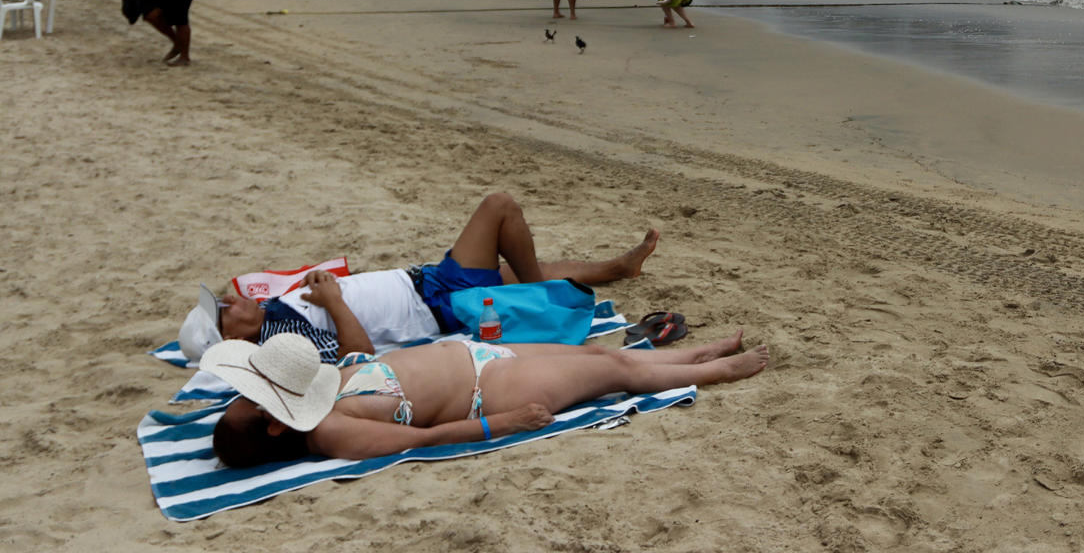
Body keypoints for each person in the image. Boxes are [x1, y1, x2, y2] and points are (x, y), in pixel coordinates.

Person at [178, 192, 661, 365]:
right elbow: (356, 358)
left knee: (510, 271)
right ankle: (544, 298)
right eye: (224, 310)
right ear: (231, 338)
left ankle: (618, 269)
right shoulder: (283, 342)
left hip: (426, 283)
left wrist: (326, 289)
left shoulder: (273, 315)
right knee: (500, 207)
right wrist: (333, 301)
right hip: (437, 305)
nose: (231, 298)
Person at [207, 329, 769, 466]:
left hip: (471, 352)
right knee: (614, 370)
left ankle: (689, 357)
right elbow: (422, 439)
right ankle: (717, 370)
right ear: (277, 425)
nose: (254, 394)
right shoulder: (332, 432)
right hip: (485, 390)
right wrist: (505, 422)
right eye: (254, 400)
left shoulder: (312, 389)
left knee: (600, 354)